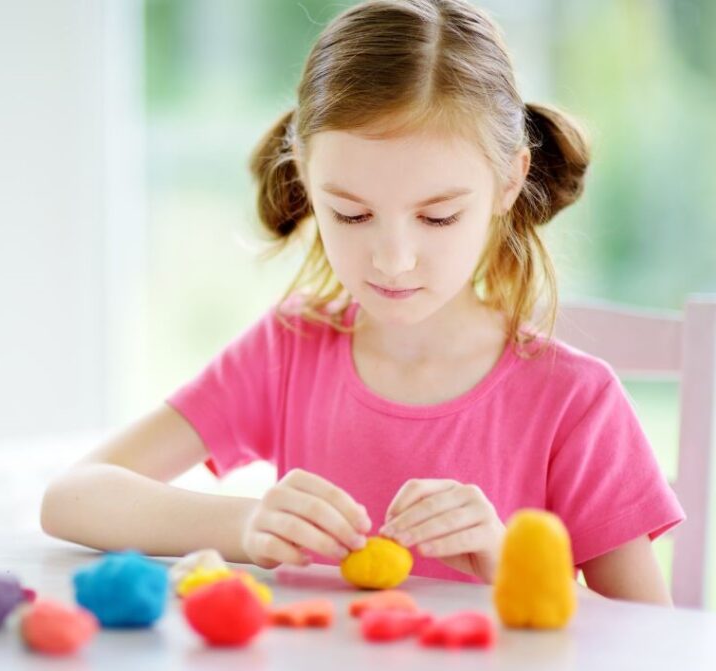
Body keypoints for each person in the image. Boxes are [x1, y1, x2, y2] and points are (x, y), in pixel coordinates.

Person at [40, 0, 684, 606]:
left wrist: (515, 569)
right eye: (351, 214)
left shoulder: (575, 401)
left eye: (436, 218)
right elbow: (72, 497)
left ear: (508, 182)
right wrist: (243, 522)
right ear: (307, 184)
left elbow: (651, 639)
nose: (392, 258)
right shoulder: (290, 350)